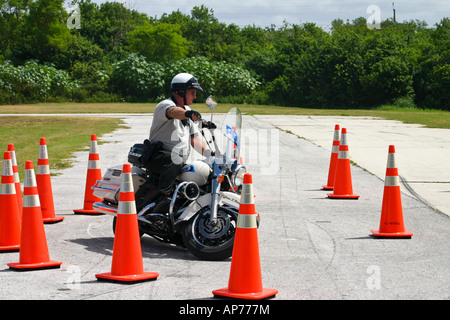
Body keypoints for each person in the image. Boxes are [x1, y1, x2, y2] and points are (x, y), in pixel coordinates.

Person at [146, 73, 207, 197]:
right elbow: (173, 112)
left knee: (197, 171)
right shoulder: (165, 105)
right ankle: (163, 196)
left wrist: (212, 156)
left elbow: (195, 139)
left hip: (175, 161)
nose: (195, 96)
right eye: (192, 92)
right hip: (157, 156)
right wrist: (188, 114)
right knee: (175, 160)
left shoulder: (187, 111)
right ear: (181, 91)